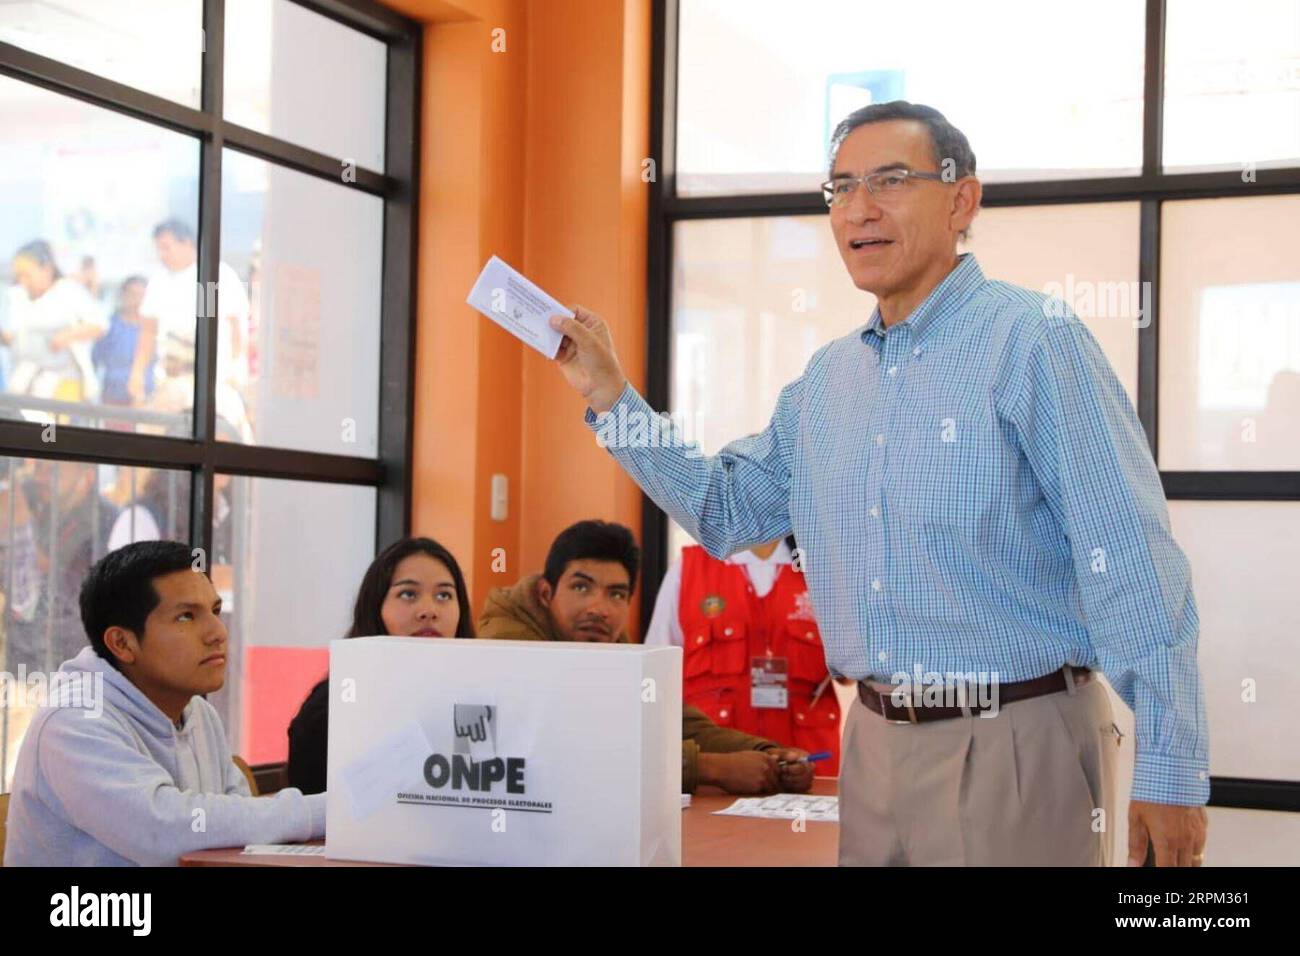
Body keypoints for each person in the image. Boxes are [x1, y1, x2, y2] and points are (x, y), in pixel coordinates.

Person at [547, 101, 1209, 866]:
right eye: (840, 189)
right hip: (872, 744)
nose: (859, 209)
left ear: (963, 199)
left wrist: (1172, 768)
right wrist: (610, 397)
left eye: (890, 180)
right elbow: (726, 510)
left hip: (1016, 745)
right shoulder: (829, 380)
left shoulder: (1035, 340)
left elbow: (1129, 559)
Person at [3, 541, 324, 866]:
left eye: (214, 610)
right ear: (122, 643)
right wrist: (323, 812)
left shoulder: (198, 712)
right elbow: (163, 832)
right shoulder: (74, 722)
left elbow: (239, 824)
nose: (217, 632)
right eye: (186, 617)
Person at [479, 519, 816, 795]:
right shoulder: (508, 638)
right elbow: (574, 741)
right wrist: (710, 768)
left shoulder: (605, 642)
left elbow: (673, 719)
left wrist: (768, 754)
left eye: (616, 593)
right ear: (546, 592)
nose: (598, 608)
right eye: (581, 587)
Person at [286, 536, 475, 795]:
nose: (429, 610)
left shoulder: (479, 698)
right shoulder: (330, 708)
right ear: (376, 607)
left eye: (444, 595)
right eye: (408, 594)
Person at [645, 535, 841, 774]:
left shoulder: (823, 567)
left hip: (807, 771)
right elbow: (655, 674)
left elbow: (852, 671)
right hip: (718, 772)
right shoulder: (689, 567)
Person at [5, 239, 106, 405]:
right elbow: (13, 336)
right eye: (19, 275)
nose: (23, 281)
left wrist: (66, 336)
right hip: (24, 382)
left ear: (47, 269)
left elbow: (99, 325)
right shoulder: (17, 296)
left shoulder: (68, 291)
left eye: (28, 275)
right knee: (23, 428)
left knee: (48, 430)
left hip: (61, 382)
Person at [92, 275, 152, 407]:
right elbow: (95, 360)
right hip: (113, 401)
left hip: (144, 404)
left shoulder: (151, 330)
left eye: (141, 296)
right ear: (123, 295)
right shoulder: (109, 326)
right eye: (133, 294)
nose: (137, 301)